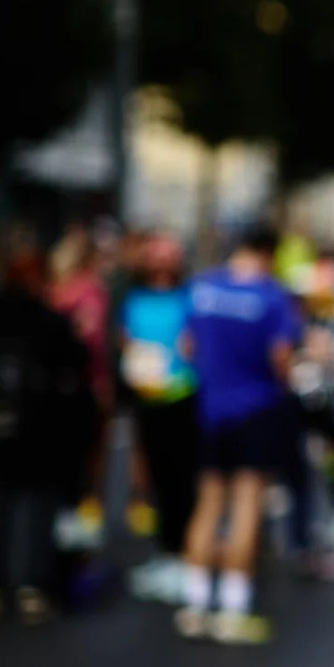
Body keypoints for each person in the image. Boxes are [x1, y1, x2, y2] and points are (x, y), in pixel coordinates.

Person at [0, 250, 97, 627]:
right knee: (32, 511)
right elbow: (77, 363)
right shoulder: (49, 320)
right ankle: (28, 584)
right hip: (39, 432)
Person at [176, 226, 302, 645]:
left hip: (211, 408)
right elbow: (281, 357)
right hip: (256, 407)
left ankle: (194, 604)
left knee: (209, 502)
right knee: (247, 503)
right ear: (268, 254)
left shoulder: (202, 287)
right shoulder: (271, 296)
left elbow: (187, 347)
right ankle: (233, 605)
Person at [120, 233, 200, 595]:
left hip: (183, 395)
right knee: (156, 476)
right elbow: (123, 339)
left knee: (184, 477)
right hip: (147, 396)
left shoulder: (190, 297)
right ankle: (167, 550)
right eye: (158, 255)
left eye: (171, 255)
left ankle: (186, 553)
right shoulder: (132, 297)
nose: (164, 262)